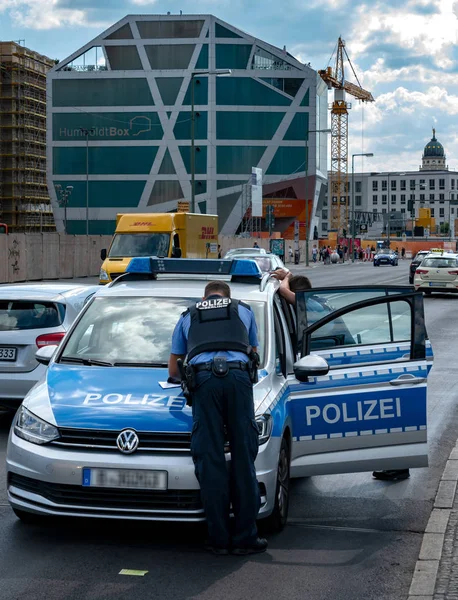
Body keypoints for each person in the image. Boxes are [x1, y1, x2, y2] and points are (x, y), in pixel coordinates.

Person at [168, 280, 267, 556]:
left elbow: (174, 369)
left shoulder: (188, 315)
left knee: (210, 458)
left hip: (204, 382)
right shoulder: (244, 310)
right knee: (243, 455)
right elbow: (254, 355)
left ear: (204, 297)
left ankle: (218, 538)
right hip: (237, 377)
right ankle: (246, 537)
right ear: (228, 297)